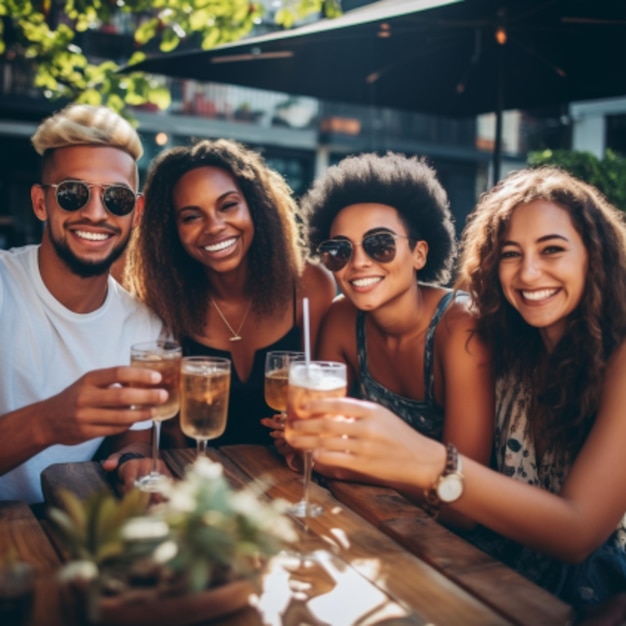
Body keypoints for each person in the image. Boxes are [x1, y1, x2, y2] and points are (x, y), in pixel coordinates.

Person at [287, 166, 626, 609]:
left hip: (584, 597)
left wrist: (419, 461)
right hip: (486, 569)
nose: (528, 273)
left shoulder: (618, 358)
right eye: (510, 254)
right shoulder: (508, 334)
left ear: (594, 256)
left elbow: (578, 534)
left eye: (552, 250)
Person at [298, 152, 493, 522]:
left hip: (475, 551)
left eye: (380, 244)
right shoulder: (341, 318)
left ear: (419, 253)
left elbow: (462, 496)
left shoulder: (460, 327)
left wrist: (346, 466)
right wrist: (310, 450)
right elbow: (322, 442)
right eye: (340, 250)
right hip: (378, 522)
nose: (358, 263)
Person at [0, 104, 168, 504]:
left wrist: (134, 462)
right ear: (41, 204)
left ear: (136, 213)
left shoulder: (145, 327)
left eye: (117, 199)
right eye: (73, 194)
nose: (95, 213)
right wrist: (49, 421)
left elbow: (132, 440)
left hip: (66, 535)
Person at [125, 139, 335, 448]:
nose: (214, 226)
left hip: (289, 480)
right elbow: (163, 430)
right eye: (191, 216)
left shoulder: (311, 286)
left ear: (257, 206)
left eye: (228, 205)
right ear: (172, 231)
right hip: (198, 481)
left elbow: (322, 409)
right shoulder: (161, 300)